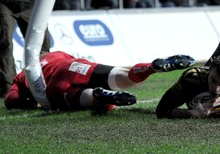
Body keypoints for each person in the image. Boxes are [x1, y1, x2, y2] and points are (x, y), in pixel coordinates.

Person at [4, 51, 195, 113]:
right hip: (71, 66)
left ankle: (102, 96)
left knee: (83, 97)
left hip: (54, 89)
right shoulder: (57, 54)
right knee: (123, 76)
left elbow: (10, 100)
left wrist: (33, 102)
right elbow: (74, 58)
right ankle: (150, 67)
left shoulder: (22, 75)